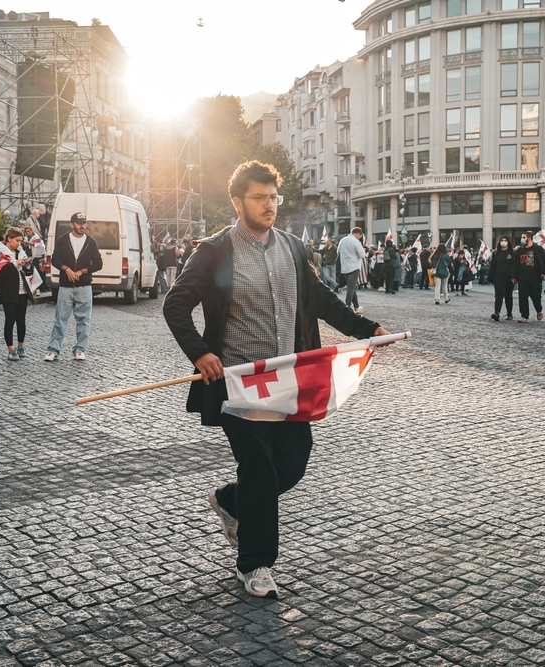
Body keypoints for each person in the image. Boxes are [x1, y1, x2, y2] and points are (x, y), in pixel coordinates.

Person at [162, 160, 391, 599]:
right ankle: (255, 564)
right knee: (262, 472)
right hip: (240, 383)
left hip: (289, 381)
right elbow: (176, 305)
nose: (270, 206)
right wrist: (202, 353)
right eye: (260, 198)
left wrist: (368, 330)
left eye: (274, 198)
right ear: (238, 201)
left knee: (293, 461)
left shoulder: (291, 247)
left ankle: (231, 501)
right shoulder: (213, 251)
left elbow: (321, 299)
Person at [45, 212, 103, 361]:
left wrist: (82, 271)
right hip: (65, 286)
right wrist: (66, 269)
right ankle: (53, 350)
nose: (82, 226)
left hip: (84, 286)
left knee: (84, 320)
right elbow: (55, 259)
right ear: (72, 225)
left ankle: (80, 349)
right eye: (79, 223)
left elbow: (98, 263)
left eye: (84, 223)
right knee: (60, 319)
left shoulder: (91, 242)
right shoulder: (63, 240)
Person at [0, 227, 35, 361]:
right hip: (8, 290)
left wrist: (27, 264)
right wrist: (15, 264)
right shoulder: (1, 252)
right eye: (16, 240)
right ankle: (11, 349)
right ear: (9, 239)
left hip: (22, 290)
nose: (19, 243)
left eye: (20, 241)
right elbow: (0, 273)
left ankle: (21, 346)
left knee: (21, 320)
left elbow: (26, 272)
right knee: (10, 320)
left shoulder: (20, 251)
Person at [511, 231, 545, 323]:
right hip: (523, 277)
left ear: (529, 238)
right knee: (522, 297)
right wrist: (514, 276)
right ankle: (525, 316)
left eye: (524, 237)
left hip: (535, 278)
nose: (522, 239)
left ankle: (539, 310)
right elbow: (515, 264)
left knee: (536, 297)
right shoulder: (519, 250)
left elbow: (544, 262)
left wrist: (544, 273)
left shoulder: (538, 249)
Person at [338, 227, 366, 312]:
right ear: (358, 234)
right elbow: (362, 254)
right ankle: (347, 306)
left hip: (344, 267)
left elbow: (338, 252)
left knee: (352, 287)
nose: (359, 238)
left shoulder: (342, 240)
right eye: (360, 236)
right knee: (351, 288)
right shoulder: (356, 242)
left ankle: (356, 306)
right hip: (354, 267)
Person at [488, 236, 514, 321]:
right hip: (498, 276)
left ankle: (509, 313)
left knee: (508, 295)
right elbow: (493, 265)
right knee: (498, 294)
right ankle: (497, 312)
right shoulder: (496, 253)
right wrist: (490, 277)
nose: (503, 242)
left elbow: (514, 266)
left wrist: (514, 276)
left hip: (509, 277)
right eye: (502, 240)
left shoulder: (512, 252)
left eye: (505, 240)